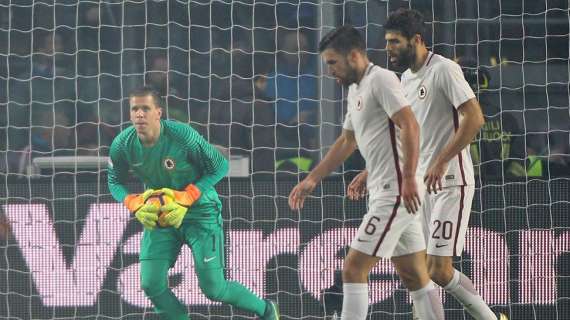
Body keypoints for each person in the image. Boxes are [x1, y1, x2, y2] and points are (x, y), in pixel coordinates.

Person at [349, 8, 507, 320]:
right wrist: (369, 172)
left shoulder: (444, 70)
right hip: (420, 188)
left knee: (439, 270)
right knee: (420, 273)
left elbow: (474, 118)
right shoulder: (404, 80)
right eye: (387, 41)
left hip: (451, 183)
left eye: (395, 42)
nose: (388, 48)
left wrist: (442, 160)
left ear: (417, 40)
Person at [288, 26, 444, 320]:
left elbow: (409, 124)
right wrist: (313, 178)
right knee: (415, 277)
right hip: (386, 190)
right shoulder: (356, 89)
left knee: (353, 268)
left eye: (333, 62)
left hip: (396, 192)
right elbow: (348, 140)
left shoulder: (381, 80)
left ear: (355, 55)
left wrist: (409, 177)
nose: (329, 70)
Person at [107, 87, 279, 320]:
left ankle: (267, 310)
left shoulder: (182, 136)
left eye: (145, 108)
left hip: (200, 214)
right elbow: (115, 182)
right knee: (150, 283)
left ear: (158, 112)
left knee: (214, 289)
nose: (139, 114)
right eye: (134, 109)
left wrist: (187, 197)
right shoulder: (122, 144)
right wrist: (133, 202)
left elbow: (220, 165)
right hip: (162, 215)